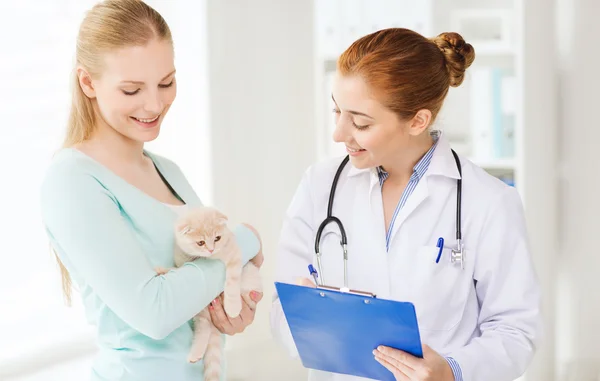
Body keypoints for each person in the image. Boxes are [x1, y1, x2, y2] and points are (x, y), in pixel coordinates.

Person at [270, 28, 542, 381]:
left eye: (360, 122)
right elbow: (281, 308)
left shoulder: (488, 201)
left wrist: (451, 371)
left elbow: (516, 329)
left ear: (418, 120)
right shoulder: (319, 186)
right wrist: (307, 317)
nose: (338, 133)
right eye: (337, 111)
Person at [39, 1, 263, 380]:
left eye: (166, 83)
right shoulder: (72, 180)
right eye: (131, 90)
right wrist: (246, 241)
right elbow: (155, 311)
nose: (155, 104)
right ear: (88, 82)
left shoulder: (167, 170)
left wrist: (234, 306)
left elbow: (196, 287)